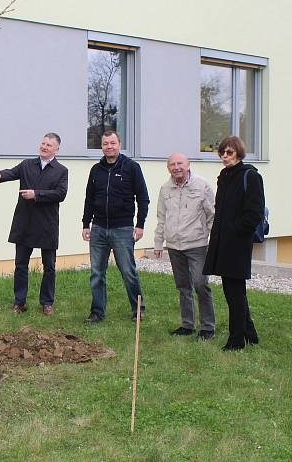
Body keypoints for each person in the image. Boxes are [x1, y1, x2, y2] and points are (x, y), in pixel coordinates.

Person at [0, 133, 68, 315]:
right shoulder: (27, 165)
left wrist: (36, 194)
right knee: (21, 265)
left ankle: (47, 303)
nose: (44, 146)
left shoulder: (61, 170)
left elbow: (61, 194)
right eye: (43, 143)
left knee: (49, 267)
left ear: (56, 149)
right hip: (25, 222)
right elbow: (12, 172)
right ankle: (19, 302)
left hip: (47, 225)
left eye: (49, 145)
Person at [203, 135, 264, 351]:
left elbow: (254, 213)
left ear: (238, 153)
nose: (225, 156)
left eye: (229, 152)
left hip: (237, 244)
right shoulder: (224, 176)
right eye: (222, 153)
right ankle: (249, 332)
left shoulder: (250, 176)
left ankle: (236, 339)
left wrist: (235, 231)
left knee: (235, 292)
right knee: (233, 291)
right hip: (222, 242)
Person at [82, 130, 150, 323]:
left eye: (112, 143)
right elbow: (89, 199)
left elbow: (143, 198)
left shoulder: (132, 167)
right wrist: (86, 224)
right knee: (97, 273)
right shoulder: (96, 170)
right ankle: (97, 312)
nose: (109, 147)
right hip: (99, 229)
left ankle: (138, 310)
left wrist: (140, 225)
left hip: (123, 229)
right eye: (105, 144)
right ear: (101, 146)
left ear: (119, 144)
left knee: (128, 272)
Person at [154, 152, 216, 340]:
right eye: (172, 164)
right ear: (168, 168)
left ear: (188, 165)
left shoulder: (201, 185)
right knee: (183, 286)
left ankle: (207, 327)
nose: (176, 167)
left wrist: (215, 243)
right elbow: (161, 217)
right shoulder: (165, 189)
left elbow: (212, 214)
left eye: (180, 163)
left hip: (196, 244)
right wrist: (158, 242)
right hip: (174, 246)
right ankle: (187, 325)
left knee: (200, 284)